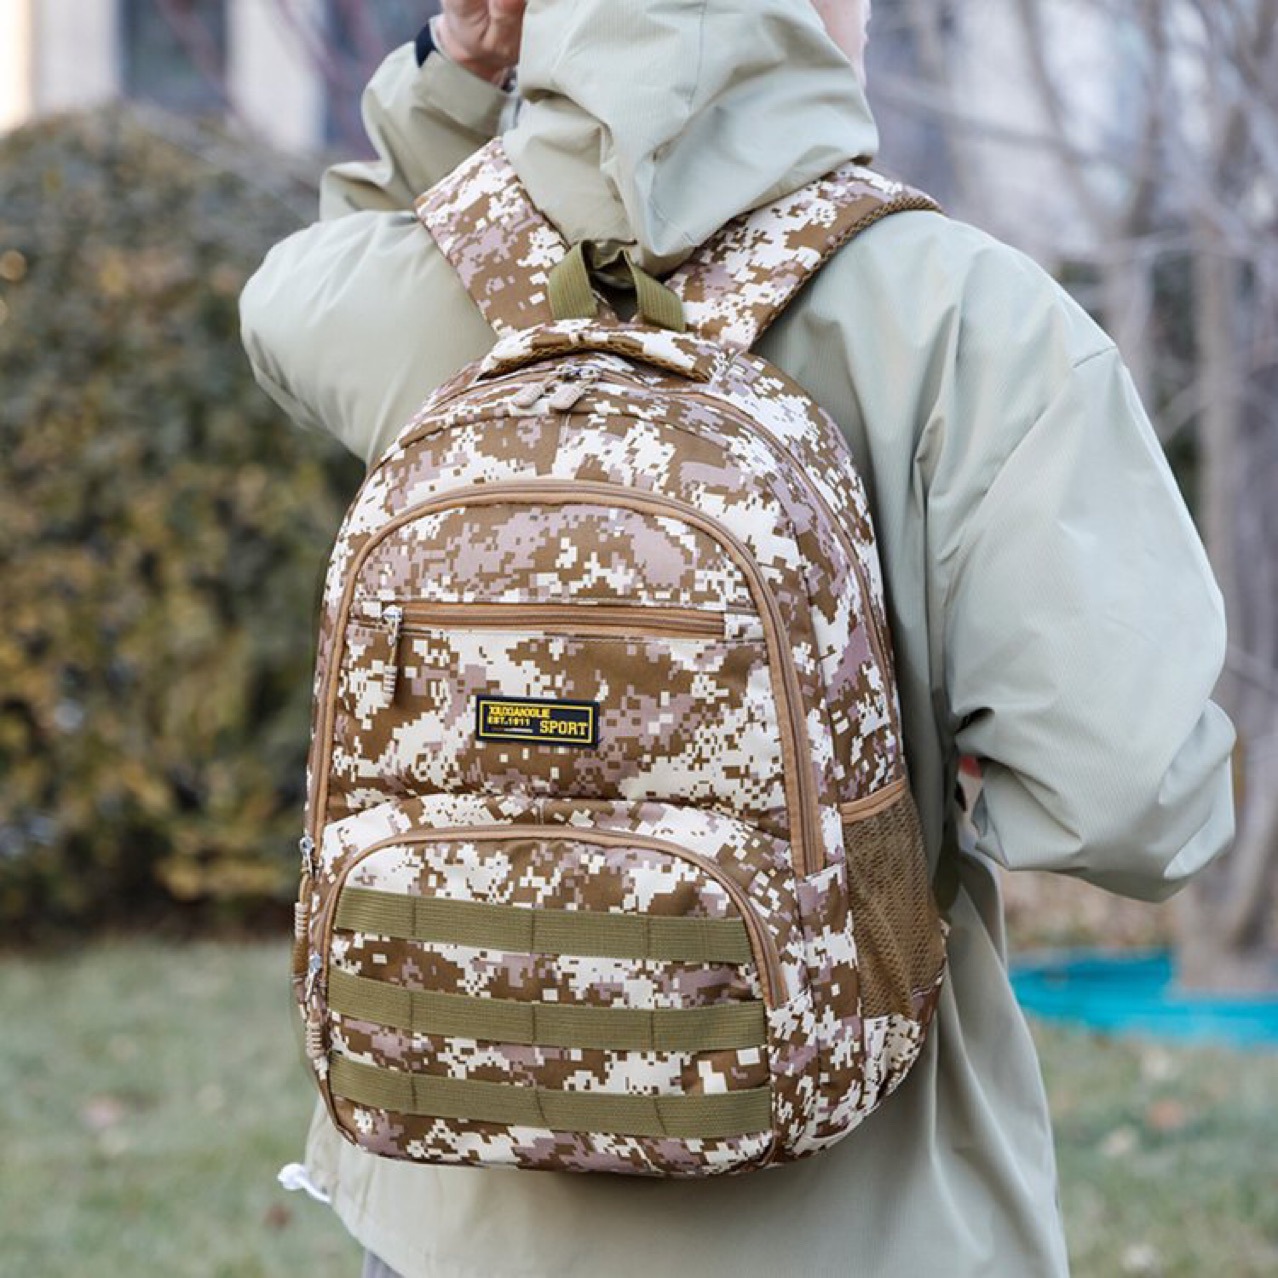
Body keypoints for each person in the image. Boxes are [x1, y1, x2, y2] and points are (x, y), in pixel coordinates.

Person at [239, 1, 1236, 1274]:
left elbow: (301, 285)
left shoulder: (407, 292)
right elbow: (1130, 807)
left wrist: (455, 74)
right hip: (868, 1221)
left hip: (457, 1219)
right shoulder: (969, 319)